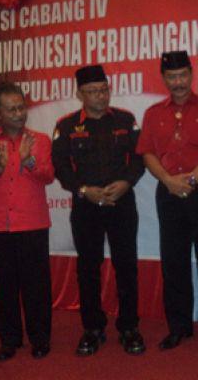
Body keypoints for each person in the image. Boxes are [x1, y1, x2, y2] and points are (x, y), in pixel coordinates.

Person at [136, 51, 198, 352]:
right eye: (172, 77)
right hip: (169, 191)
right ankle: (178, 327)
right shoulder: (153, 113)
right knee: (173, 263)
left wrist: (190, 180)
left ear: (191, 74)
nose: (178, 82)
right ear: (164, 79)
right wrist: (168, 180)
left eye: (182, 75)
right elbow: (147, 153)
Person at [51, 65, 145, 356]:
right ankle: (92, 328)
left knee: (126, 265)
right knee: (88, 267)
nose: (100, 96)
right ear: (80, 94)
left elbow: (140, 158)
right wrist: (83, 190)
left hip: (121, 202)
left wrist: (126, 183)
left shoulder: (125, 120)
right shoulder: (67, 126)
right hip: (86, 205)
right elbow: (61, 168)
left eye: (104, 90)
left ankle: (129, 327)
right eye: (92, 92)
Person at [0, 82, 54, 361]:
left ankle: (40, 338)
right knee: (3, 285)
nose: (19, 113)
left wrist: (28, 162)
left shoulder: (40, 139)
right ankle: (9, 339)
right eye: (12, 109)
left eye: (21, 107)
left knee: (36, 285)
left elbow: (48, 175)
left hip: (32, 223)